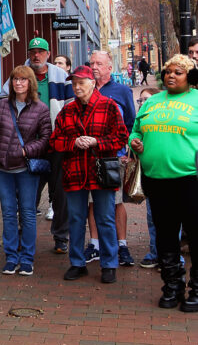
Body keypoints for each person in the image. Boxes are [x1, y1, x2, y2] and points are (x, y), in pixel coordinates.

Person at [129, 54, 198, 311]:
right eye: (168, 71)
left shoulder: (197, 100)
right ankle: (172, 286)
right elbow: (136, 130)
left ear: (189, 77)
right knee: (166, 236)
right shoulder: (153, 101)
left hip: (191, 179)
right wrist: (133, 141)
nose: (171, 75)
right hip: (156, 180)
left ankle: (197, 290)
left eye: (178, 72)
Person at [49, 65, 129, 283]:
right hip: (74, 171)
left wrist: (97, 141)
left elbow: (121, 137)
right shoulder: (67, 111)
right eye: (73, 83)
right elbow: (55, 141)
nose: (76, 87)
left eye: (81, 83)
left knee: (105, 218)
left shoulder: (109, 106)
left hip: (101, 171)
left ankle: (109, 263)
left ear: (92, 83)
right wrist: (73, 142)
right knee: (75, 219)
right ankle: (77, 263)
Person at [1, 38, 73, 251]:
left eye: (41, 51)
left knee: (61, 194)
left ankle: (61, 238)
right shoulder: (19, 75)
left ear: (48, 54)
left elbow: (70, 107)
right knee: (27, 194)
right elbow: (5, 103)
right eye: (33, 51)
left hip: (57, 144)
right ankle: (24, 235)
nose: (36, 55)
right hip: (30, 147)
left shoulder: (60, 76)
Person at [0, 66, 51, 275]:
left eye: (23, 79)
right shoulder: (2, 105)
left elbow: (46, 138)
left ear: (30, 82)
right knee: (8, 214)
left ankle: (27, 259)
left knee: (28, 214)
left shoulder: (41, 109)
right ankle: (11, 257)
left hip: (25, 169)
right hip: (3, 169)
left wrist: (25, 151)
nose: (18, 83)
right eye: (15, 79)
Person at [84, 51, 136, 267]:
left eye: (99, 63)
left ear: (109, 68)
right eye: (92, 63)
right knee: (91, 202)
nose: (94, 67)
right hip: (87, 156)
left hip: (114, 156)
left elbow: (132, 123)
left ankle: (121, 244)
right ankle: (95, 244)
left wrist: (126, 152)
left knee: (116, 202)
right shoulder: (84, 88)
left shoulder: (122, 91)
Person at [136, 87, 159, 268]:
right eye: (141, 101)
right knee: (152, 216)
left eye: (147, 100)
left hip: (174, 174)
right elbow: (133, 134)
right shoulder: (142, 121)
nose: (143, 103)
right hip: (150, 175)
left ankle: (173, 257)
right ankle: (155, 252)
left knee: (174, 218)